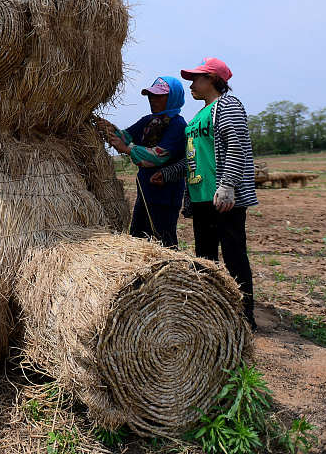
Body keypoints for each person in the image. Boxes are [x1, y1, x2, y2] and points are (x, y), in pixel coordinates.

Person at [161, 57, 258, 330]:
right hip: (202, 198)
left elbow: (236, 146)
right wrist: (166, 174)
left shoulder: (227, 106)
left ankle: (244, 314)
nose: (191, 84)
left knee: (234, 255)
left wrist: (228, 185)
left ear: (213, 80)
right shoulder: (196, 119)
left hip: (223, 198)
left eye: (197, 78)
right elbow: (192, 158)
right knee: (205, 259)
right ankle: (213, 314)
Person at [98, 76, 187, 248]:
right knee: (138, 239)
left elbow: (157, 156)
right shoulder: (149, 120)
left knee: (164, 242)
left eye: (159, 96)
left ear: (173, 97)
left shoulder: (177, 125)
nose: (153, 100)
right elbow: (126, 136)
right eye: (151, 96)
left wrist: (128, 149)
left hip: (165, 196)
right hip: (145, 192)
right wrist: (109, 129)